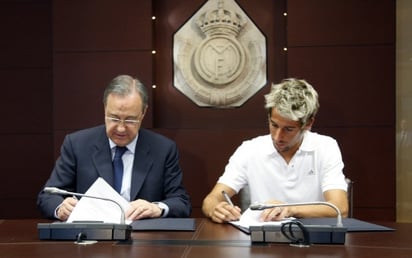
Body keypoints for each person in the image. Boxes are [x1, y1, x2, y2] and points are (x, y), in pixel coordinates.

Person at [37, 75, 191, 221]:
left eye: (130, 120)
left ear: (143, 113)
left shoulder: (163, 149)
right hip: (89, 239)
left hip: (143, 238)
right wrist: (61, 208)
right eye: (114, 118)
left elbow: (181, 202)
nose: (121, 128)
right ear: (105, 109)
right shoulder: (77, 144)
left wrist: (157, 208)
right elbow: (48, 196)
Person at [202, 78, 348, 223]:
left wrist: (289, 209)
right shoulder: (249, 149)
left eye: (288, 129)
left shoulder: (325, 146)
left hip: (312, 238)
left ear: (308, 124)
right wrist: (216, 209)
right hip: (260, 239)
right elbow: (211, 199)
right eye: (274, 125)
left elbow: (340, 209)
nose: (278, 137)